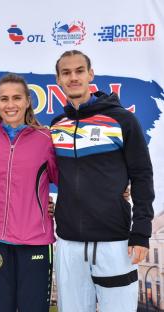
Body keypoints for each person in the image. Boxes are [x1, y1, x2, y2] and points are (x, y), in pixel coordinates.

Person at [50, 50, 154, 312]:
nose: (73, 77)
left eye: (79, 71)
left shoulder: (122, 120)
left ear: (90, 75)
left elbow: (141, 174)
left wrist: (141, 232)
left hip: (114, 242)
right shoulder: (55, 126)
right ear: (58, 79)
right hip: (69, 243)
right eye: (66, 73)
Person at [0, 74, 57, 312]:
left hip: (35, 240)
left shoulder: (46, 139)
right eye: (4, 99)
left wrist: (115, 188)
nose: (10, 104)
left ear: (28, 101)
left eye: (16, 98)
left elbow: (71, 179)